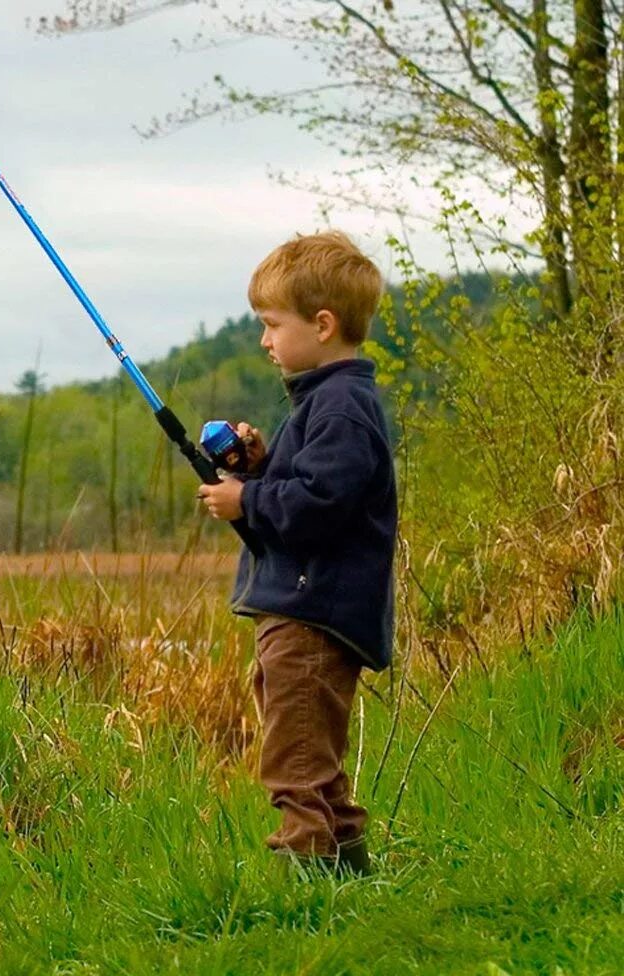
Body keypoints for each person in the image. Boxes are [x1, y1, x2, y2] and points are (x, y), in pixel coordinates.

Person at [197, 231, 397, 876]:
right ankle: (348, 869)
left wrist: (244, 502)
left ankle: (305, 879)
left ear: (323, 324)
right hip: (309, 603)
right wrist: (258, 467)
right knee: (313, 752)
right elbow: (311, 486)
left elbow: (317, 507)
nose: (264, 340)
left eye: (271, 324)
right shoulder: (329, 402)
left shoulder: (340, 407)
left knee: (296, 756)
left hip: (315, 610)